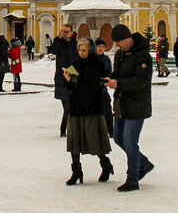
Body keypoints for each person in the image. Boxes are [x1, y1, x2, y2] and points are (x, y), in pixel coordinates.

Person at [106, 24, 154, 192]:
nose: (117, 46)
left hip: (137, 104)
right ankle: (144, 164)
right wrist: (108, 79)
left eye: (119, 42)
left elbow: (142, 81)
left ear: (127, 39)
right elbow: (117, 74)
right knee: (118, 137)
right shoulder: (120, 55)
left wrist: (119, 83)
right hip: (121, 103)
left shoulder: (143, 56)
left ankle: (132, 179)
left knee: (130, 141)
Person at [63, 36, 114, 185]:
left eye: (84, 50)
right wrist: (68, 80)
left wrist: (77, 81)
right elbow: (72, 88)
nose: (81, 52)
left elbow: (95, 86)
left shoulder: (97, 64)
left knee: (94, 139)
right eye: (79, 50)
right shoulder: (76, 64)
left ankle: (105, 164)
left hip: (92, 106)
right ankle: (76, 171)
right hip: (77, 106)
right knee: (74, 140)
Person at [51, 26, 79, 137]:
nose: (65, 34)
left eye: (67, 32)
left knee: (75, 107)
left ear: (72, 32)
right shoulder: (59, 43)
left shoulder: (76, 44)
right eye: (64, 32)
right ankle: (63, 130)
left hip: (74, 78)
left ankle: (74, 129)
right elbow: (52, 50)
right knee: (67, 107)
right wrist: (58, 37)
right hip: (61, 79)